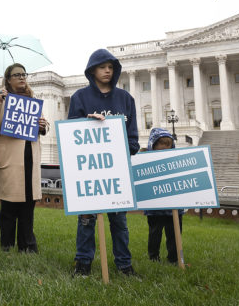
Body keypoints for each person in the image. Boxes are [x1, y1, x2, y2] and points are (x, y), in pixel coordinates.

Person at [69, 49, 140, 277]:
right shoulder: (80, 98)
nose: (107, 70)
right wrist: (87, 124)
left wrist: (122, 147)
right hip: (89, 170)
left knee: (119, 221)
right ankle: (83, 263)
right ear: (92, 70)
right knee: (87, 220)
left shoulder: (126, 99)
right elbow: (71, 132)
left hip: (116, 171)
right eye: (102, 67)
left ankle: (124, 264)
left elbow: (133, 138)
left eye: (111, 67)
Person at [0, 63, 48, 253]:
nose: (22, 77)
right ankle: (6, 245)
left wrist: (42, 125)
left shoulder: (32, 99)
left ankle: (27, 245)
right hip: (10, 156)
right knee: (9, 204)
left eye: (24, 74)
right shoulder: (1, 99)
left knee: (27, 204)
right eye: (17, 75)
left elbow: (43, 126)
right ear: (8, 79)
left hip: (29, 154)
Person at [145, 128, 183, 264]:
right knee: (155, 232)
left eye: (167, 144)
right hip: (155, 207)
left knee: (174, 233)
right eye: (161, 144)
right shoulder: (146, 163)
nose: (164, 147)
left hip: (174, 205)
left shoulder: (176, 162)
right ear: (153, 145)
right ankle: (153, 257)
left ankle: (174, 258)